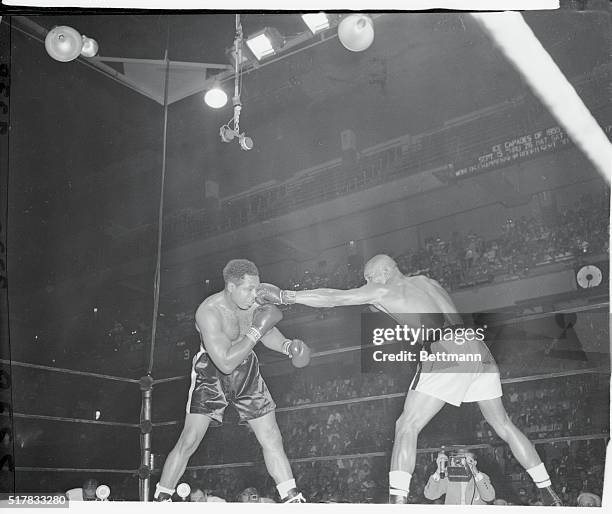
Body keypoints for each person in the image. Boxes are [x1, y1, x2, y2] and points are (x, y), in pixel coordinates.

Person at [256, 254, 562, 505]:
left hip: (446, 352)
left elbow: (335, 298)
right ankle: (548, 492)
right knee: (503, 424)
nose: (367, 283)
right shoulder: (426, 282)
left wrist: (286, 296)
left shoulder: (384, 288)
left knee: (406, 426)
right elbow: (416, 312)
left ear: (386, 273)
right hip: (476, 348)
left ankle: (397, 503)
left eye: (370, 277)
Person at [154, 259, 310, 503]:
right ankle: (162, 497)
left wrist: (287, 346)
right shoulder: (208, 311)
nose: (254, 294)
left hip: (246, 367)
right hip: (212, 370)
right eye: (248, 289)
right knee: (190, 438)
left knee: (271, 435)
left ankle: (291, 496)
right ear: (230, 286)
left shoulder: (254, 300)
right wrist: (256, 330)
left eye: (256, 288)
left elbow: (266, 329)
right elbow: (225, 362)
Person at [424, 450, 495, 505]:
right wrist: (438, 470)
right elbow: (429, 495)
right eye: (460, 460)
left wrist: (475, 472)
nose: (463, 463)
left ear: (475, 463)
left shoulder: (482, 477)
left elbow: (489, 497)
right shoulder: (449, 477)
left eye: (467, 460)